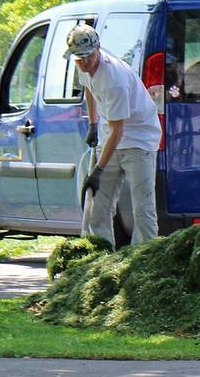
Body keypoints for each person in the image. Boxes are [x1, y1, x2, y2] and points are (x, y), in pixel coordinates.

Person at [66, 23, 161, 246]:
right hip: (110, 135)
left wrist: (98, 170)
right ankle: (100, 258)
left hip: (139, 139)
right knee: (98, 207)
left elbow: (119, 131)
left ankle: (144, 260)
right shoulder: (83, 66)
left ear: (98, 49)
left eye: (88, 57)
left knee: (142, 208)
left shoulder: (115, 80)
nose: (84, 63)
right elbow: (89, 89)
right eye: (79, 59)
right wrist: (92, 124)